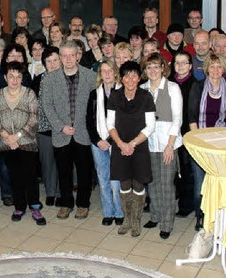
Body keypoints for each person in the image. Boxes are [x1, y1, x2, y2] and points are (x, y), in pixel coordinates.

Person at [41, 40, 96, 219]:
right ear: (60, 57)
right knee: (63, 171)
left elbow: (95, 106)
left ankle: (83, 204)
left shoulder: (90, 76)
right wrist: (60, 126)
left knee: (84, 172)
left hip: (83, 133)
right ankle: (66, 203)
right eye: (64, 55)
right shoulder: (50, 78)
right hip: (61, 134)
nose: (68, 59)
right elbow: (47, 105)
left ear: (78, 55)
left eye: (72, 55)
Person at [0, 61, 46, 225]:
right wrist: (7, 136)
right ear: (6, 77)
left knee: (30, 176)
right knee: (15, 176)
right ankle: (19, 206)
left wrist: (18, 136)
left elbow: (34, 118)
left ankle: (35, 207)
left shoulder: (29, 94)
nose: (15, 80)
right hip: (6, 143)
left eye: (18, 76)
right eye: (11, 76)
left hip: (27, 141)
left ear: (22, 77)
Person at [107, 61, 156, 237]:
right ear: (121, 77)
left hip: (139, 147)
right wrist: (121, 144)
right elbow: (110, 124)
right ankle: (127, 219)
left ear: (139, 77)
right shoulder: (115, 96)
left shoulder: (146, 96)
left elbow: (150, 126)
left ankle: (136, 220)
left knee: (138, 182)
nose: (130, 79)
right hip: (119, 146)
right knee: (124, 182)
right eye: (126, 75)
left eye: (134, 75)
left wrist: (132, 144)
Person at [188, 53, 226, 230]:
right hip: (199, 142)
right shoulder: (198, 87)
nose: (215, 70)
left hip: (221, 144)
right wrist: (198, 143)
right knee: (200, 183)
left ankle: (217, 215)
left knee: (218, 182)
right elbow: (191, 116)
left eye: (219, 66)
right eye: (212, 66)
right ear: (207, 68)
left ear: (223, 69)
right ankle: (201, 216)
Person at [140, 53, 183, 240]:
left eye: (157, 66)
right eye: (149, 67)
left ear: (163, 68)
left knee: (166, 184)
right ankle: (156, 215)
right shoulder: (142, 89)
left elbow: (178, 118)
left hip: (168, 143)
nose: (153, 70)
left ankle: (167, 222)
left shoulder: (173, 88)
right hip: (149, 143)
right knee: (152, 182)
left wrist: (170, 145)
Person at [86, 60, 124, 226]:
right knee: (103, 178)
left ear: (115, 72)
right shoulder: (94, 94)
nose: (107, 74)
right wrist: (98, 140)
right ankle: (108, 212)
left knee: (116, 180)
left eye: (110, 70)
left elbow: (124, 121)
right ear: (100, 74)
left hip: (116, 141)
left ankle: (119, 212)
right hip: (98, 143)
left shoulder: (123, 93)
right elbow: (89, 120)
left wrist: (109, 140)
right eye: (103, 71)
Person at [31, 47, 61, 206]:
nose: (53, 64)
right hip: (43, 128)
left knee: (63, 162)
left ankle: (62, 192)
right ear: (44, 64)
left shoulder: (68, 78)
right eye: (48, 61)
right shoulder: (38, 80)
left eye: (55, 60)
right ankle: (51, 192)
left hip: (64, 129)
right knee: (48, 162)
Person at [169, 51, 196, 217]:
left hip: (186, 133)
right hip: (170, 133)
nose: (180, 66)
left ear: (190, 66)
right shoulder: (168, 83)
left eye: (184, 62)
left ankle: (187, 205)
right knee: (171, 170)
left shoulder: (196, 85)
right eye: (177, 62)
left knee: (187, 170)